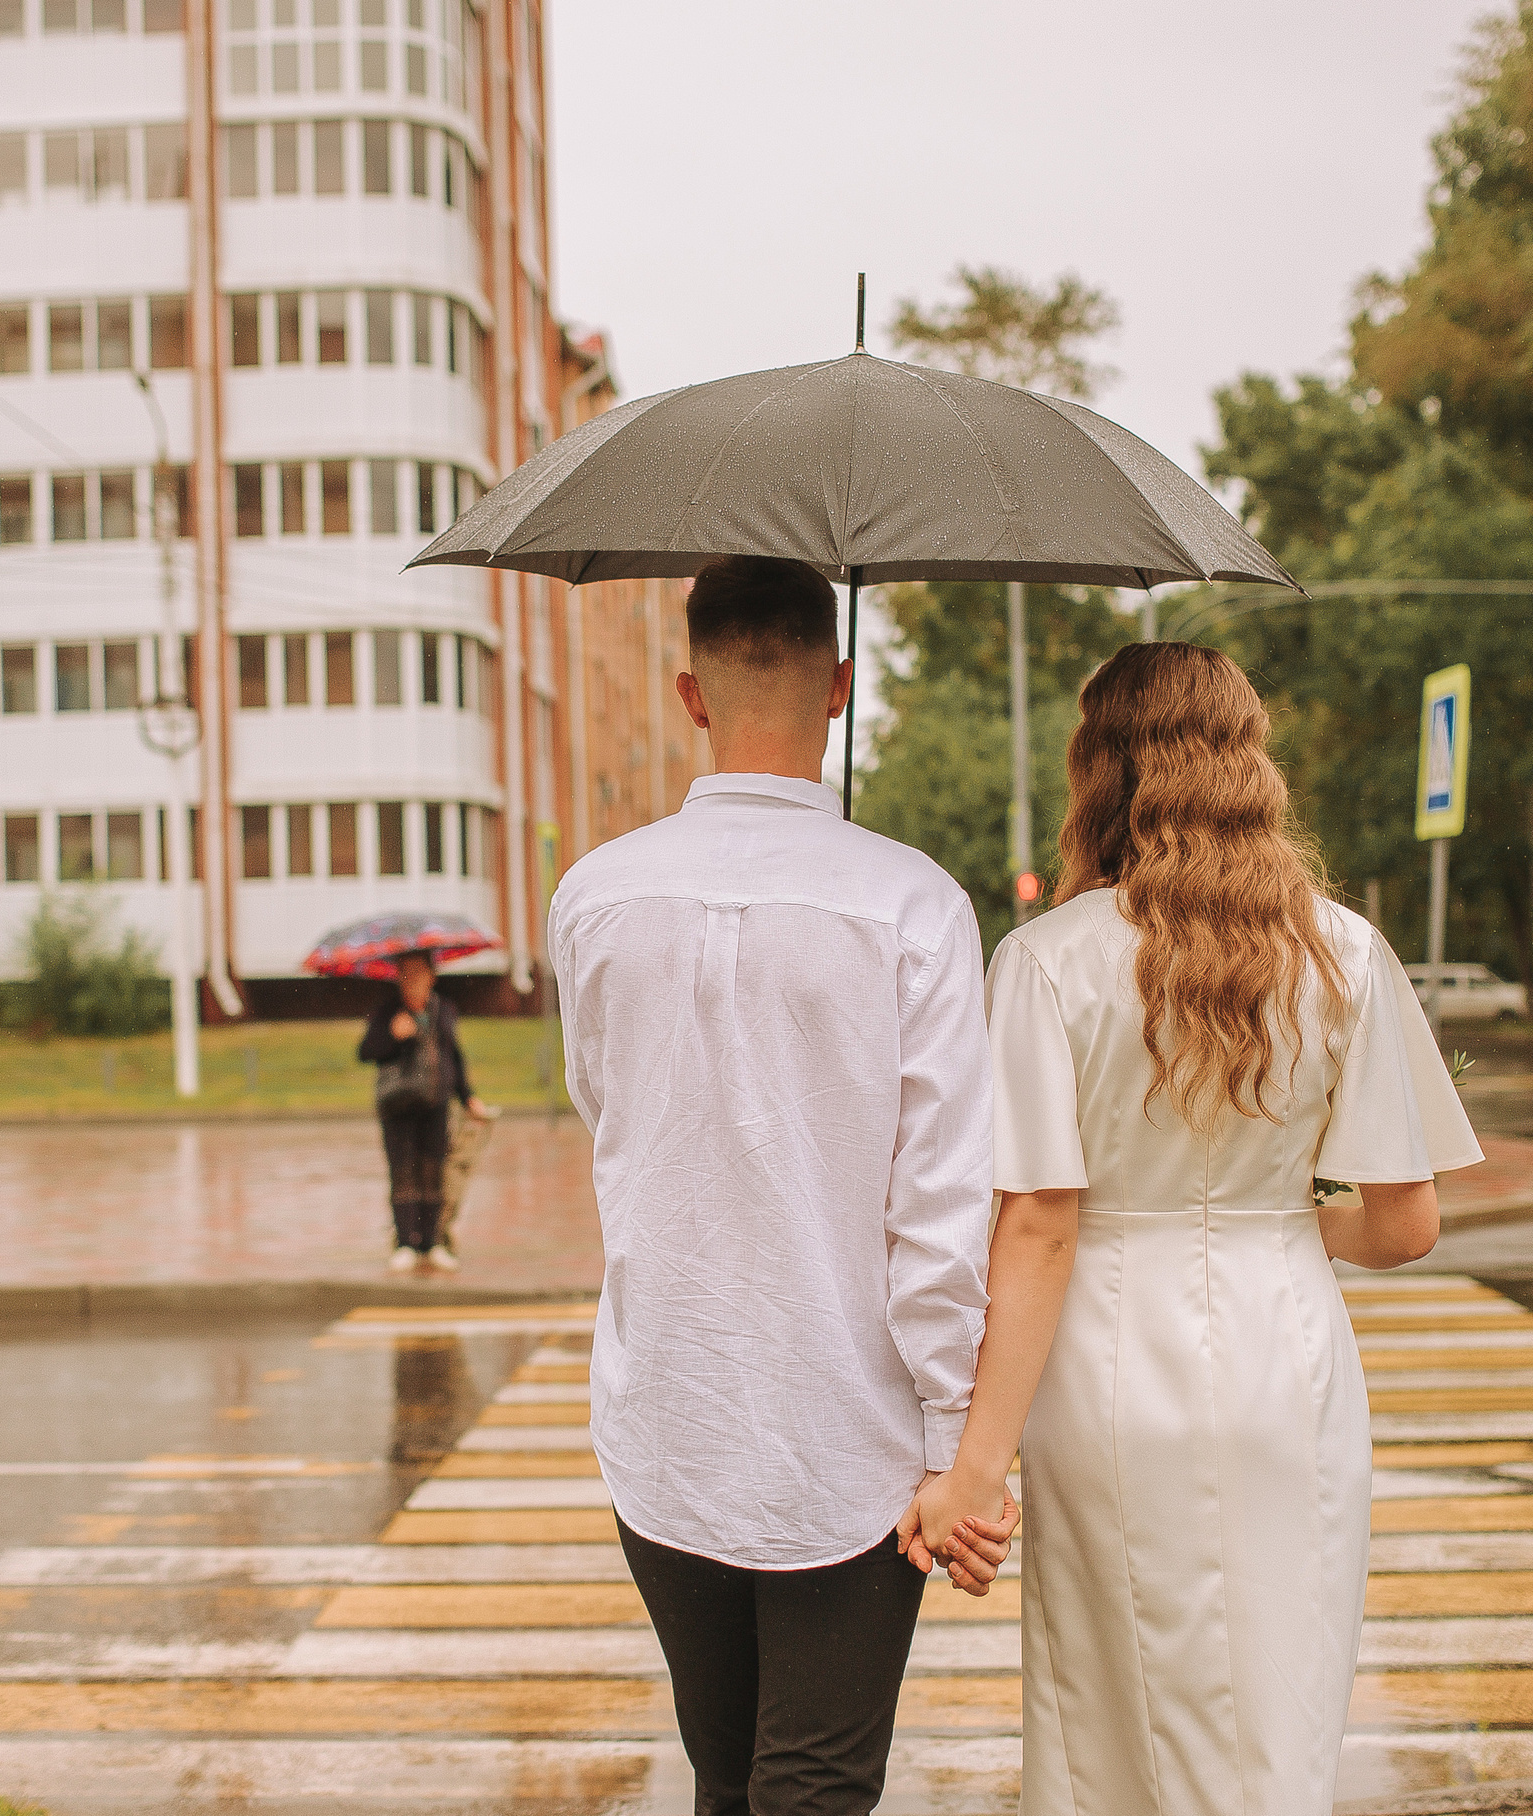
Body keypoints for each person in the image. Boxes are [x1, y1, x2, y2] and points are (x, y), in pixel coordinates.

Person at [904, 641, 1484, 1816]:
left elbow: (1039, 1231)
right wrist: (1285, 1230)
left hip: (1110, 1367)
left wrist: (972, 1468)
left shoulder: (1045, 961)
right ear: (1246, 767)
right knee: (1281, 1701)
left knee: (1113, 1717)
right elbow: (1408, 1224)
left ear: (1101, 771)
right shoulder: (1345, 952)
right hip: (1294, 1366)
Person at [548, 554, 996, 1816]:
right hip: (841, 1428)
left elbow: (605, 1107)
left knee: (726, 1770)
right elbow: (942, 1203)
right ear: (841, 686)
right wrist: (956, 1440)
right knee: (817, 1781)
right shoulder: (915, 904)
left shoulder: (593, 895)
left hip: (664, 1414)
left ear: (689, 693)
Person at [355, 949, 477, 1274]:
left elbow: (455, 1057)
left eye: (418, 973)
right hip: (397, 1107)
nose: (412, 981)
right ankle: (406, 1242)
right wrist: (392, 1036)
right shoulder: (387, 1012)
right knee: (404, 1173)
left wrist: (468, 1098)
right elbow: (366, 1052)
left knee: (433, 1172)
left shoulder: (443, 1011)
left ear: (431, 976)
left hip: (435, 1105)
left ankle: (433, 1242)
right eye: (405, 974)